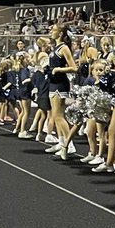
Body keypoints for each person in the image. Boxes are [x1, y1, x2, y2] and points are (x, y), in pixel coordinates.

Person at [44, 23, 79, 160]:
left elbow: (74, 68)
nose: (50, 31)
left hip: (60, 83)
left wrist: (58, 69)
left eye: (53, 30)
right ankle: (61, 141)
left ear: (60, 33)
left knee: (59, 116)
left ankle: (69, 144)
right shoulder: (55, 47)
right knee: (54, 114)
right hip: (53, 82)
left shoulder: (64, 48)